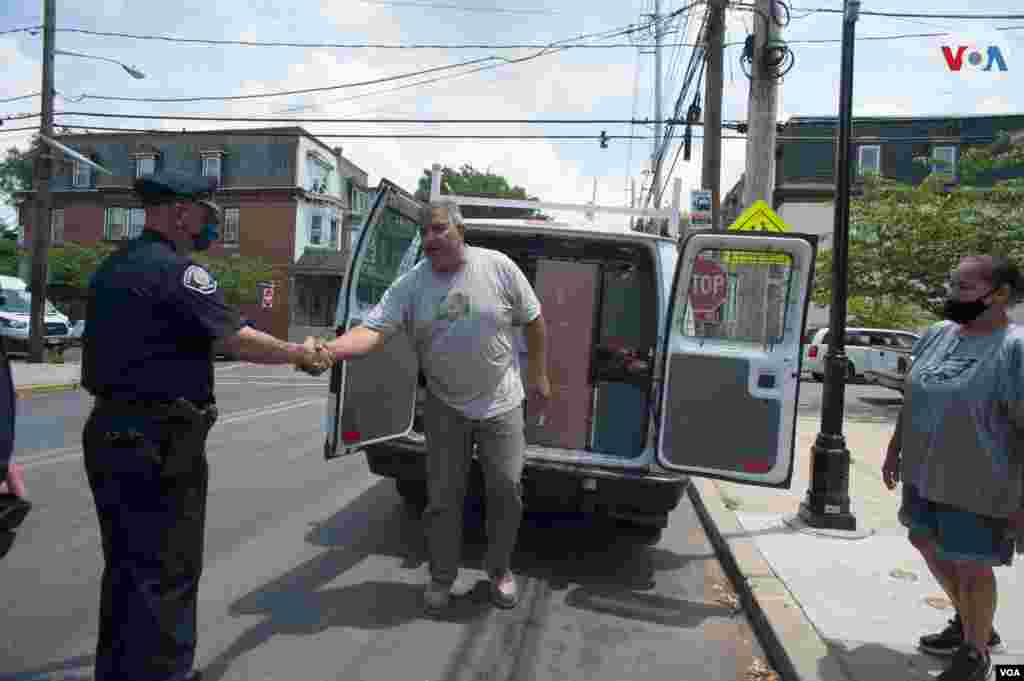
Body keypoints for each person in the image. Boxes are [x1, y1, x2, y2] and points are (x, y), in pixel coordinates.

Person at [80, 171, 332, 681]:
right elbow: (237, 338)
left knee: (126, 568)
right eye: (207, 212)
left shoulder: (113, 266)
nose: (212, 222)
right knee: (169, 569)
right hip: (159, 442)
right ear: (181, 212)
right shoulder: (181, 274)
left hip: (108, 432)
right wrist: (300, 354)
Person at [321, 198, 550, 613]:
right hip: (446, 406)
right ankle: (442, 576)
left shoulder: (497, 267)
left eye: (439, 228)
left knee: (506, 490)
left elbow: (534, 319)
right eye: (424, 231)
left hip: (501, 402)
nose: (430, 238)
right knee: (443, 499)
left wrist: (539, 376)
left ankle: (499, 570)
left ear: (460, 229)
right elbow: (372, 331)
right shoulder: (411, 285)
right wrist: (328, 351)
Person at [882, 254, 1024, 681]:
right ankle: (972, 622)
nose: (951, 294)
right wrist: (894, 448)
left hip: (980, 480)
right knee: (924, 540)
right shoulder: (937, 334)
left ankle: (975, 655)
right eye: (952, 284)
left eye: (963, 287)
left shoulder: (1014, 348)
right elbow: (913, 396)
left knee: (970, 562)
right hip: (924, 472)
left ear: (1000, 294)